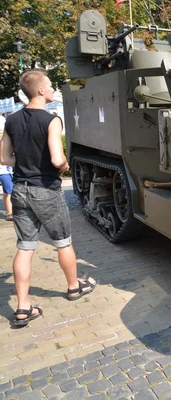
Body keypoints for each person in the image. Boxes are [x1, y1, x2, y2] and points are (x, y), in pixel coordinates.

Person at [0, 69, 96, 327]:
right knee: (63, 242)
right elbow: (56, 159)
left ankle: (22, 308)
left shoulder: (11, 121)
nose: (53, 90)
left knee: (25, 247)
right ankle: (74, 288)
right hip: (46, 191)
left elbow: (5, 158)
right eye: (51, 86)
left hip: (20, 189)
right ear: (40, 90)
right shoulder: (52, 120)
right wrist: (63, 165)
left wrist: (27, 162)